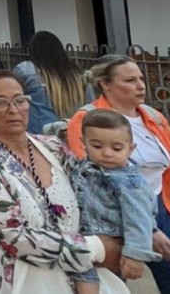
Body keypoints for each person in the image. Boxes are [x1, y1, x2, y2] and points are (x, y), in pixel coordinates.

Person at [0, 70, 130, 294]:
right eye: (0, 102)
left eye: (20, 100)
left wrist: (140, 226)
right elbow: (15, 237)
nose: (13, 110)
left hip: (88, 278)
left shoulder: (52, 146)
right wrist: (98, 248)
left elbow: (93, 190)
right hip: (32, 282)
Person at [67, 55, 170, 292]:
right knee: (113, 282)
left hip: (160, 203)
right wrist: (145, 229)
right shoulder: (87, 119)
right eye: (130, 80)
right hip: (113, 214)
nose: (140, 85)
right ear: (106, 84)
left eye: (141, 79)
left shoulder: (153, 116)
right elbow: (90, 175)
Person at [69, 109, 162, 294]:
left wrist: (134, 256)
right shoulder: (87, 167)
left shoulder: (130, 183)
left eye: (117, 148)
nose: (107, 153)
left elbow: (139, 220)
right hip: (84, 242)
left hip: (112, 245)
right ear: (84, 144)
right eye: (97, 146)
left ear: (131, 148)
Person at [14, 31, 93, 134]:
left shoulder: (25, 70)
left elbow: (12, 98)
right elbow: (90, 107)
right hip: (72, 134)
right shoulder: (79, 75)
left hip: (39, 136)